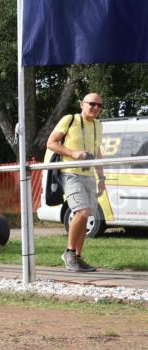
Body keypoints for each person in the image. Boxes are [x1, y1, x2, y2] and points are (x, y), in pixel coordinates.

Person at [46, 92, 106, 272]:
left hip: (88, 176)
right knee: (82, 211)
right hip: (69, 173)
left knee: (87, 215)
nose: (96, 108)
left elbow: (97, 153)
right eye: (92, 104)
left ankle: (78, 257)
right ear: (82, 104)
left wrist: (101, 178)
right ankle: (69, 252)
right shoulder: (69, 119)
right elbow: (51, 143)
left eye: (99, 106)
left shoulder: (98, 125)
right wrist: (73, 153)